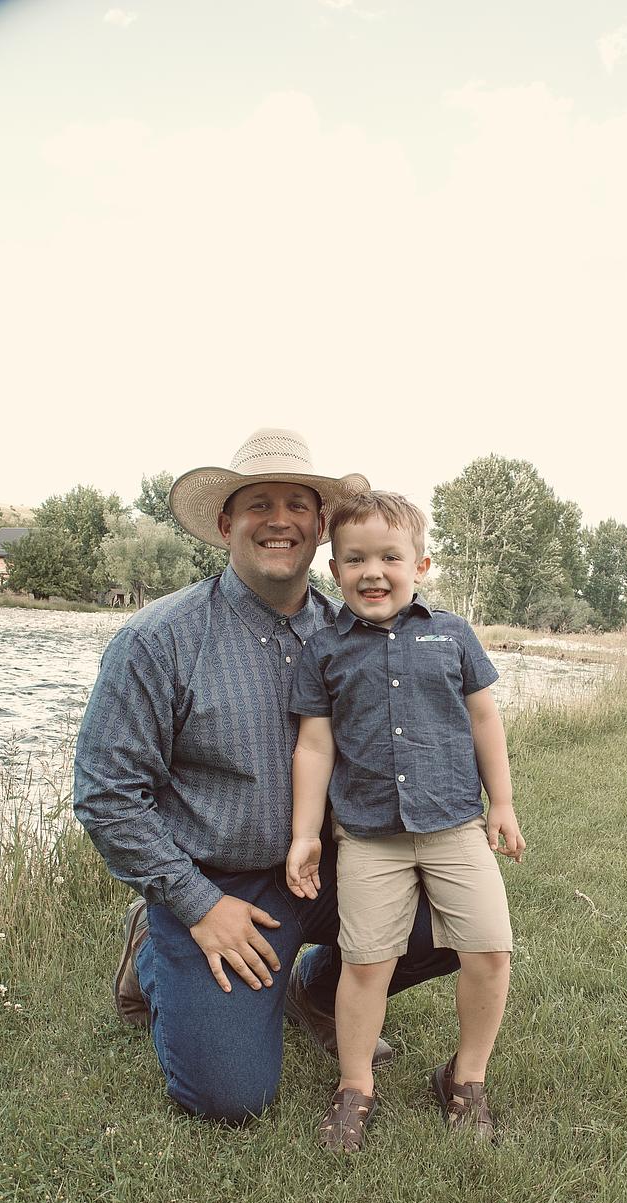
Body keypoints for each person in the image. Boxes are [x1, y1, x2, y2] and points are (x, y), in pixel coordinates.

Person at [73, 428, 459, 1130]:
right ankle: (155, 949)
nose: (279, 520)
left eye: (296, 505)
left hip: (332, 868)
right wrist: (195, 902)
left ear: (320, 527)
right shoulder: (158, 640)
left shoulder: (357, 633)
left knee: (461, 919)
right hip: (217, 883)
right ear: (226, 524)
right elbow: (106, 795)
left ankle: (316, 989)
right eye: (259, 504)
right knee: (232, 1097)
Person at [285, 490, 525, 1153]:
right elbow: (314, 747)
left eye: (390, 557)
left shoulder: (452, 635)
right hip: (368, 838)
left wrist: (502, 804)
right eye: (355, 559)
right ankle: (354, 1085)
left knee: (489, 950)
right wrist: (305, 835)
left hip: (455, 826)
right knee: (367, 962)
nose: (373, 572)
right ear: (334, 568)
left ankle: (465, 1076)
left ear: (420, 565)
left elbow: (484, 720)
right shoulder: (324, 650)